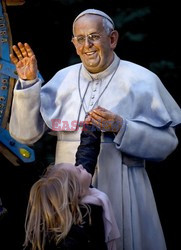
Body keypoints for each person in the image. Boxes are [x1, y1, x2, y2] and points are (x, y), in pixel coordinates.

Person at [9, 8, 181, 250]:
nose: (87, 45)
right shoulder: (62, 79)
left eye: (94, 36)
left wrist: (122, 127)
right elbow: (25, 135)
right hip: (67, 198)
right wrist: (28, 83)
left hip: (124, 189)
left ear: (112, 39)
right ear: (73, 43)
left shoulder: (143, 80)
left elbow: (167, 144)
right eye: (80, 39)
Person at [23, 124, 120, 250]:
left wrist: (90, 127)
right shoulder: (75, 235)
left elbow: (86, 156)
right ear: (77, 191)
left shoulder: (77, 193)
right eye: (78, 170)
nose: (80, 166)